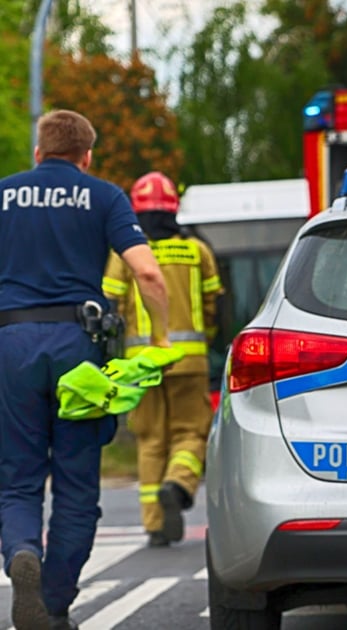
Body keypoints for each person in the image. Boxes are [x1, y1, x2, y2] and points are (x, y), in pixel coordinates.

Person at [0, 110, 170, 630]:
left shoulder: (3, 194)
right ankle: (53, 603)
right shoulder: (104, 196)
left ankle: (22, 552)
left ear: (38, 152)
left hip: (11, 343)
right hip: (79, 347)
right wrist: (159, 338)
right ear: (87, 155)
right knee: (77, 486)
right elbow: (146, 271)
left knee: (17, 480)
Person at [102, 171, 223, 549]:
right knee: (191, 433)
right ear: (174, 209)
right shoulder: (197, 251)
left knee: (150, 440)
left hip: (143, 364)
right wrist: (206, 340)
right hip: (190, 361)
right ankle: (179, 484)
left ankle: (154, 524)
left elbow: (111, 306)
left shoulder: (125, 253)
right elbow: (214, 305)